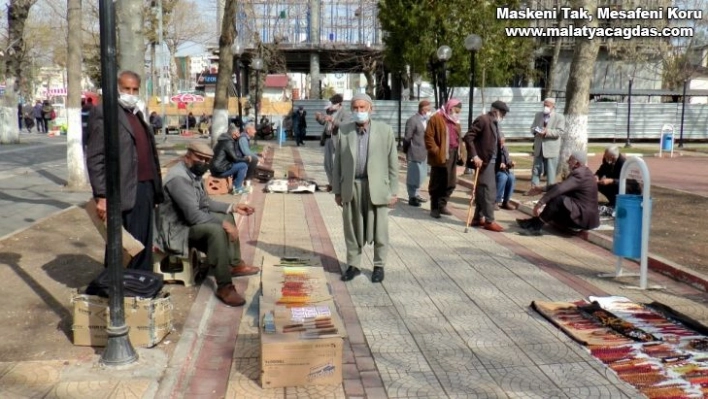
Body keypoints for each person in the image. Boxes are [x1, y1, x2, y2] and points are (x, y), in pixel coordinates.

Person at [155, 141, 260, 307]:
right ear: (188, 155)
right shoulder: (179, 179)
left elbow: (205, 203)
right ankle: (224, 286)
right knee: (216, 231)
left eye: (206, 160)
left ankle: (234, 264)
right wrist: (225, 226)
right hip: (175, 230)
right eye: (200, 158)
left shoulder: (193, 174)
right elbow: (194, 216)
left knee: (227, 218)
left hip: (187, 223)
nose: (203, 163)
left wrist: (233, 207)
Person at [86, 70, 164, 271]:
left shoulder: (137, 113)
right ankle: (123, 285)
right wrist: (101, 195)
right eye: (126, 88)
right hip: (124, 189)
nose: (131, 93)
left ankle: (141, 282)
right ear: (117, 89)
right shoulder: (105, 113)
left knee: (143, 241)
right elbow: (95, 157)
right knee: (127, 243)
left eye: (135, 89)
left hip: (146, 187)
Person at [333, 93, 398, 284]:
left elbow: (392, 162)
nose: (359, 111)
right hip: (351, 186)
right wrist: (337, 190)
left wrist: (393, 191)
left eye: (363, 108)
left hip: (377, 187)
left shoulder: (384, 131)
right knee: (352, 228)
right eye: (355, 108)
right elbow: (337, 164)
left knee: (380, 229)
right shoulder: (344, 131)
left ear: (371, 108)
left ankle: (379, 266)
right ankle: (353, 265)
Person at [517, 151, 600, 236]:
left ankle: (536, 227)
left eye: (570, 160)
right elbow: (561, 185)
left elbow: (559, 188)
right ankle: (534, 222)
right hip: (583, 216)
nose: (568, 162)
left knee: (557, 199)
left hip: (583, 219)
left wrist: (540, 203)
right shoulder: (585, 172)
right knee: (556, 200)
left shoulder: (579, 174)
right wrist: (542, 189)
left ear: (577, 163)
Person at [463, 100, 509, 232]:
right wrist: (475, 156)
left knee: (483, 190)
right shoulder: (483, 120)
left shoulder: (495, 123)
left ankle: (478, 217)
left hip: (492, 161)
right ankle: (490, 220)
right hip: (483, 161)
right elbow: (468, 137)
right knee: (488, 191)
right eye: (503, 113)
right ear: (496, 111)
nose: (504, 116)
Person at [424, 99, 463, 218]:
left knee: (450, 182)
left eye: (458, 112)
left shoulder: (456, 121)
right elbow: (428, 137)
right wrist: (436, 150)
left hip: (453, 154)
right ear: (450, 108)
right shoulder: (436, 118)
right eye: (455, 111)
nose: (456, 114)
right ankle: (434, 207)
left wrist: (461, 152)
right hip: (440, 156)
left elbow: (459, 138)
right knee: (437, 183)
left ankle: (442, 205)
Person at [527, 98, 565, 193]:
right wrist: (537, 131)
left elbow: (560, 132)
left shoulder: (559, 117)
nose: (545, 107)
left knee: (551, 171)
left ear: (553, 106)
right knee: (536, 169)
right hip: (539, 147)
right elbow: (532, 128)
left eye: (547, 105)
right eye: (544, 105)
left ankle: (550, 190)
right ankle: (534, 189)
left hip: (551, 149)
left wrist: (547, 132)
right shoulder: (538, 115)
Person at [317, 94, 351, 191]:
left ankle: (337, 184)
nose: (331, 106)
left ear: (339, 104)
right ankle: (331, 183)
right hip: (328, 139)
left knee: (336, 163)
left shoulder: (345, 113)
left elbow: (345, 125)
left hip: (337, 140)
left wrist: (333, 120)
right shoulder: (330, 111)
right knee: (327, 163)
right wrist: (319, 118)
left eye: (333, 104)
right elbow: (323, 122)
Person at [595, 145, 641, 212]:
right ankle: (613, 201)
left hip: (629, 188)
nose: (604, 157)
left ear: (612, 157)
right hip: (615, 184)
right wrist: (596, 176)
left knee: (620, 186)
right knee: (598, 184)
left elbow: (629, 182)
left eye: (606, 156)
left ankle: (619, 202)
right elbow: (601, 170)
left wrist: (612, 181)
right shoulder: (607, 160)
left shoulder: (623, 163)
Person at [404, 100, 431, 207]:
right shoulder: (412, 120)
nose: (430, 111)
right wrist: (406, 150)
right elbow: (407, 137)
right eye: (428, 109)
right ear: (422, 109)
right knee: (413, 175)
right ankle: (412, 196)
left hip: (425, 152)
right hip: (414, 151)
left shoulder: (428, 121)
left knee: (422, 175)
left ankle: (417, 193)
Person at [211, 124, 251, 195]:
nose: (240, 135)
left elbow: (233, 157)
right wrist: (246, 159)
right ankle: (237, 188)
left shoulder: (224, 140)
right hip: (219, 170)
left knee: (239, 164)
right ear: (234, 134)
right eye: (238, 133)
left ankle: (235, 185)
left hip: (216, 169)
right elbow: (235, 158)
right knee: (243, 165)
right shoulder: (228, 142)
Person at [236, 122, 261, 189]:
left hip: (240, 157)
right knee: (254, 159)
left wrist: (257, 154)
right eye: (253, 129)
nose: (255, 131)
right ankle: (248, 179)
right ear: (248, 130)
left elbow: (248, 150)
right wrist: (257, 157)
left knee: (255, 158)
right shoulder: (243, 138)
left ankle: (250, 177)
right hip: (238, 158)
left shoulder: (246, 138)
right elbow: (246, 152)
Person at [495, 136, 517, 211]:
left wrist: (511, 163)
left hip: (504, 170)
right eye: (500, 143)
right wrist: (499, 164)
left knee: (511, 177)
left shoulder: (505, 149)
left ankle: (506, 201)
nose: (502, 144)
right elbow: (490, 161)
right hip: (494, 170)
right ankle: (496, 201)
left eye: (503, 142)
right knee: (503, 177)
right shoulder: (492, 149)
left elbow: (507, 162)